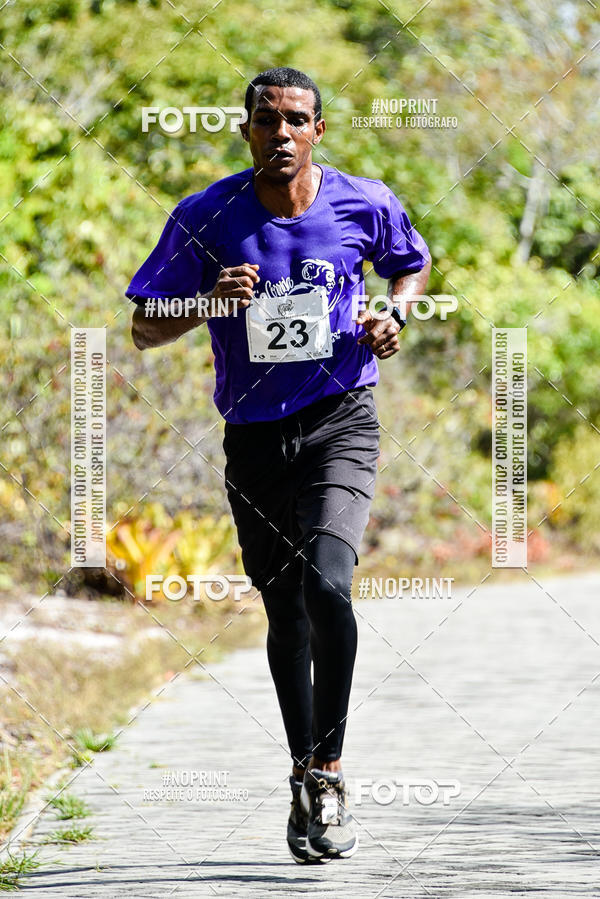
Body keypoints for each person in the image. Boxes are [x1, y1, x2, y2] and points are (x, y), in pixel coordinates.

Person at [127, 66, 430, 863]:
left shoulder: (364, 201)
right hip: (255, 435)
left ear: (319, 131)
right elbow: (143, 328)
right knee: (286, 608)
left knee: (331, 581)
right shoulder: (206, 216)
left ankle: (328, 772)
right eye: (268, 120)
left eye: (298, 119)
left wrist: (393, 314)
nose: (283, 132)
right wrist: (206, 303)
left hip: (342, 418)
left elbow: (410, 261)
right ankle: (301, 770)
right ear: (247, 130)